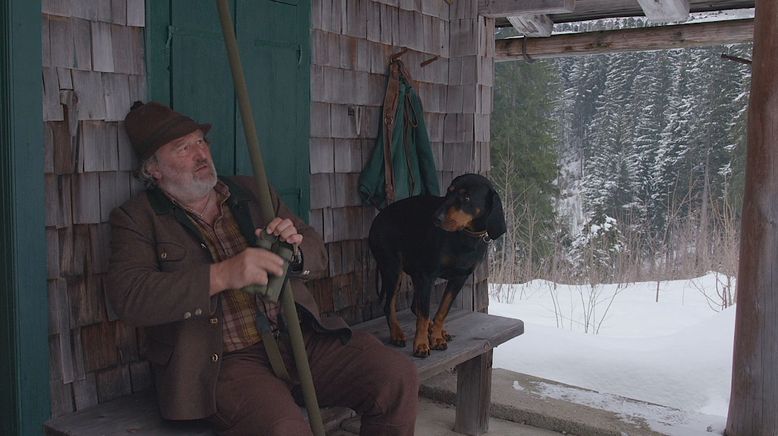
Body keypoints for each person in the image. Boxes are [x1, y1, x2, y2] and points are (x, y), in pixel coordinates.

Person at [106, 101, 419, 436]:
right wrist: (223, 275)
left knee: (396, 375)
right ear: (153, 169)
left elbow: (316, 250)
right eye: (183, 148)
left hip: (299, 339)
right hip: (224, 364)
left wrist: (294, 252)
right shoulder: (137, 219)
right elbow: (130, 297)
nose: (200, 155)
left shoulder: (251, 191)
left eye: (201, 142)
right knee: (283, 430)